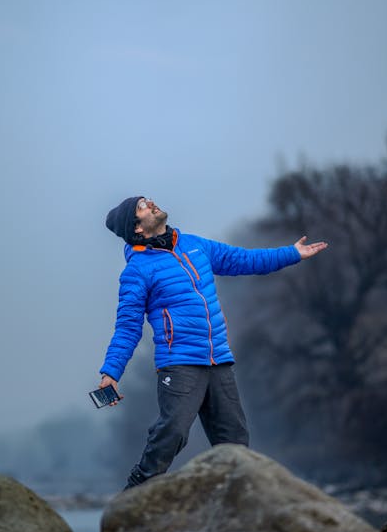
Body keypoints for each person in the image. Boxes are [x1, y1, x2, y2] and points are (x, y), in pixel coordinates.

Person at [98, 196, 328, 489]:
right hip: (179, 364)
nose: (151, 203)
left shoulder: (194, 245)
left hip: (219, 360)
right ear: (137, 229)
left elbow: (244, 260)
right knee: (173, 433)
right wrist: (111, 373)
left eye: (147, 200)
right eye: (142, 206)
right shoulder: (137, 271)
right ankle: (135, 493)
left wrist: (292, 253)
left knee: (234, 442)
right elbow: (128, 328)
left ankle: (238, 503)